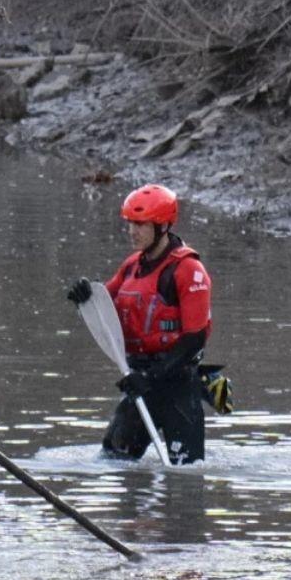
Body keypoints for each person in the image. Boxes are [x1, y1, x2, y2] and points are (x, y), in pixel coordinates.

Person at [66, 183, 213, 465]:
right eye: (130, 224)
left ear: (163, 226)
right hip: (140, 381)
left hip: (176, 384)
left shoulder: (189, 270)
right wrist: (84, 296)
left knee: (186, 472)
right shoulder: (132, 265)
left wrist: (152, 377)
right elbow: (103, 306)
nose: (132, 231)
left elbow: (195, 338)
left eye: (141, 225)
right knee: (113, 458)